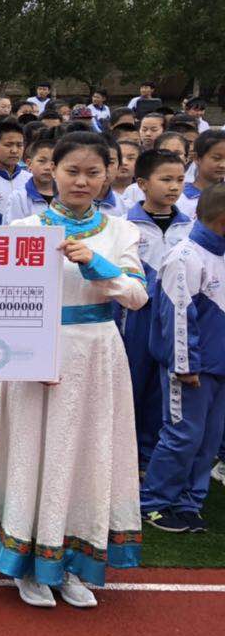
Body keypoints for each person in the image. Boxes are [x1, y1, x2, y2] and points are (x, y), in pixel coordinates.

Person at [0, 132, 147, 608]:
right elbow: (0, 298)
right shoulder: (24, 227)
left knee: (87, 453)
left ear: (109, 174)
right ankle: (26, 563)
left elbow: (137, 296)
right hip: (37, 351)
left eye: (93, 172)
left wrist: (97, 264)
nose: (81, 181)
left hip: (97, 352)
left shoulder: (122, 231)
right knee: (32, 449)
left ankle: (69, 561)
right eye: (72, 171)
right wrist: (26, 351)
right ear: (51, 172)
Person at [140, 184, 225, 533]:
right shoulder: (185, 256)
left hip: (219, 368)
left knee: (208, 439)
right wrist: (184, 365)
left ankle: (189, 502)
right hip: (191, 370)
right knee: (183, 436)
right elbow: (177, 315)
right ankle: (154, 502)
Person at [121, 149, 191, 472]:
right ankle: (123, 458)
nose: (174, 187)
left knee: (161, 391)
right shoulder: (125, 226)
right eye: (165, 179)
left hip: (174, 317)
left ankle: (149, 459)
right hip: (135, 317)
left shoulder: (188, 227)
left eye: (179, 179)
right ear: (142, 183)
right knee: (130, 386)